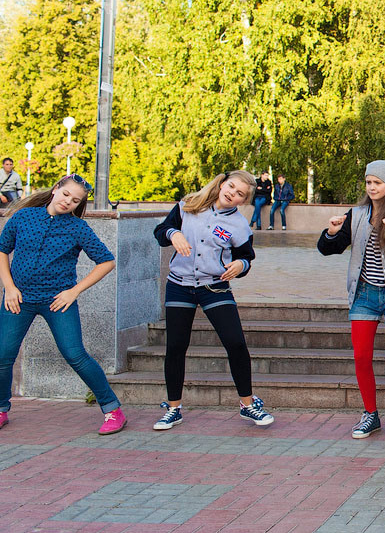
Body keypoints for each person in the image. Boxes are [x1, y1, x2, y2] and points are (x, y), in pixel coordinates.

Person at [0, 174, 125, 435]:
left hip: (57, 302)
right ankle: (1, 410)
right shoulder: (23, 217)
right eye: (66, 194)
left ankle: (113, 410)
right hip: (19, 299)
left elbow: (107, 261)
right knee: (3, 355)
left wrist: (74, 291)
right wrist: (9, 288)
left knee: (75, 354)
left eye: (75, 200)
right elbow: (2, 249)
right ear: (56, 188)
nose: (69, 201)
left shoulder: (78, 228)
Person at [152, 170, 274, 429]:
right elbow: (160, 230)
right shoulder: (188, 205)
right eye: (231, 187)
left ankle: (248, 404)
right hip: (179, 285)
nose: (232, 194)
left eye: (240, 193)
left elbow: (247, 257)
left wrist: (240, 266)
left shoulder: (239, 225)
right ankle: (173, 408)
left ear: (243, 200)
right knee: (175, 347)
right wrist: (173, 234)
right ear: (222, 183)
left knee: (236, 343)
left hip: (215, 288)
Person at [317, 160, 385, 439]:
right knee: (362, 356)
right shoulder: (355, 215)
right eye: (368, 182)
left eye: (377, 182)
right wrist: (331, 231)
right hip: (363, 295)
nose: (372, 187)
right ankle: (370, 414)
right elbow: (329, 249)